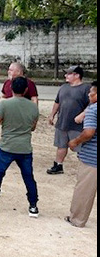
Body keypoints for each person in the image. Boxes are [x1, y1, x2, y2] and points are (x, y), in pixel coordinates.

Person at [0, 77, 40, 217]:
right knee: (28, 176)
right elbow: (33, 127)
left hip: (6, 145)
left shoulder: (4, 104)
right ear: (26, 90)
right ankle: (33, 205)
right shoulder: (33, 107)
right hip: (25, 147)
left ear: (11, 88)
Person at [47, 66, 92, 175]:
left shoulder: (86, 88)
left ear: (77, 75)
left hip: (77, 125)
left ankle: (86, 168)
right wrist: (52, 115)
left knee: (81, 147)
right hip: (62, 123)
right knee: (61, 145)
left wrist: (82, 114)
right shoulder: (63, 87)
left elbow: (91, 104)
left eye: (69, 74)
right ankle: (58, 165)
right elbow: (57, 102)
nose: (66, 76)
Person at [65, 81, 97, 228]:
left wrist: (75, 141)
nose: (89, 94)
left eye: (92, 92)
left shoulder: (93, 109)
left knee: (84, 190)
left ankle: (77, 218)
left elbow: (89, 132)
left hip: (92, 158)